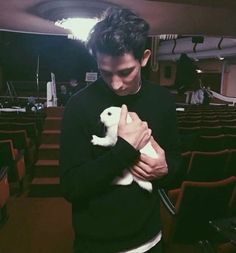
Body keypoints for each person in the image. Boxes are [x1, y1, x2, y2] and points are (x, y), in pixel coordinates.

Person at [59, 7, 181, 253]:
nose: (116, 84)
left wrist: (165, 170)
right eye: (106, 72)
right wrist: (124, 150)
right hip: (95, 244)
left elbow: (177, 169)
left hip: (150, 240)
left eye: (125, 72)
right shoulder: (78, 105)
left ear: (144, 58)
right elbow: (71, 187)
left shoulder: (162, 100)